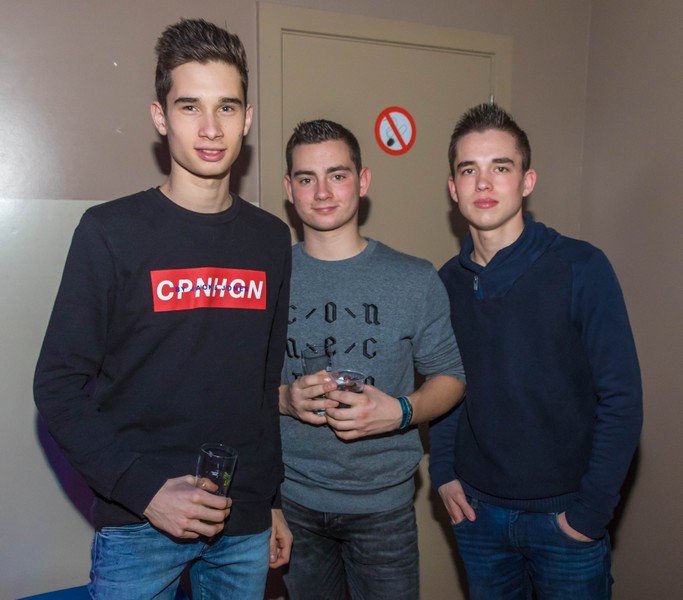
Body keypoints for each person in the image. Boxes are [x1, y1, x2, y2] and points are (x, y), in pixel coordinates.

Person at [33, 18, 292, 599]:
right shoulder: (109, 232)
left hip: (243, 521)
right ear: (160, 116)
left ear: (247, 118)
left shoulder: (271, 239)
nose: (210, 128)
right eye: (189, 106)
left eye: (227, 107)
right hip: (139, 523)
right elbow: (56, 386)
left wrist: (271, 499)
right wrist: (147, 492)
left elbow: (263, 385)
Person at [430, 102, 643, 599]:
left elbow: (622, 400)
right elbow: (446, 386)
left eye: (500, 167)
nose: (484, 183)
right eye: (469, 170)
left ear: (527, 181)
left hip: (565, 520)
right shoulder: (446, 283)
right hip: (477, 514)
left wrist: (589, 514)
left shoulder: (581, 267)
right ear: (453, 187)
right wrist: (442, 473)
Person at [278, 119, 466, 600]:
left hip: (383, 508)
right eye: (306, 178)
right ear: (289, 189)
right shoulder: (269, 278)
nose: (322, 192)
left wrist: (399, 412)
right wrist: (284, 399)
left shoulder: (414, 278)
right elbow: (238, 385)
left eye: (337, 175)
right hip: (293, 501)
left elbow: (450, 376)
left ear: (362, 181)